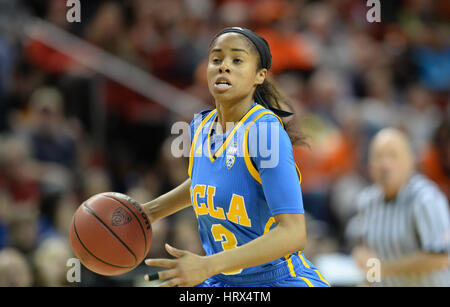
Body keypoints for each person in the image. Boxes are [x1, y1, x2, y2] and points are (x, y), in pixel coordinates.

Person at [141, 27, 329, 287]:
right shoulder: (200, 126)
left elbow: (294, 233)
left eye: (237, 60)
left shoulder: (265, 133)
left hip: (277, 280)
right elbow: (205, 184)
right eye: (217, 59)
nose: (224, 67)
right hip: (223, 281)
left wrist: (206, 264)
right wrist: (147, 213)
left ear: (259, 76)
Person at [346, 128, 450, 286]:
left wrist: (383, 268)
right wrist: (363, 260)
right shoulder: (367, 200)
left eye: (393, 155)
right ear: (369, 165)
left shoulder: (426, 199)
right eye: (378, 156)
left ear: (410, 161)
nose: (385, 164)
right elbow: (361, 249)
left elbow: (441, 258)